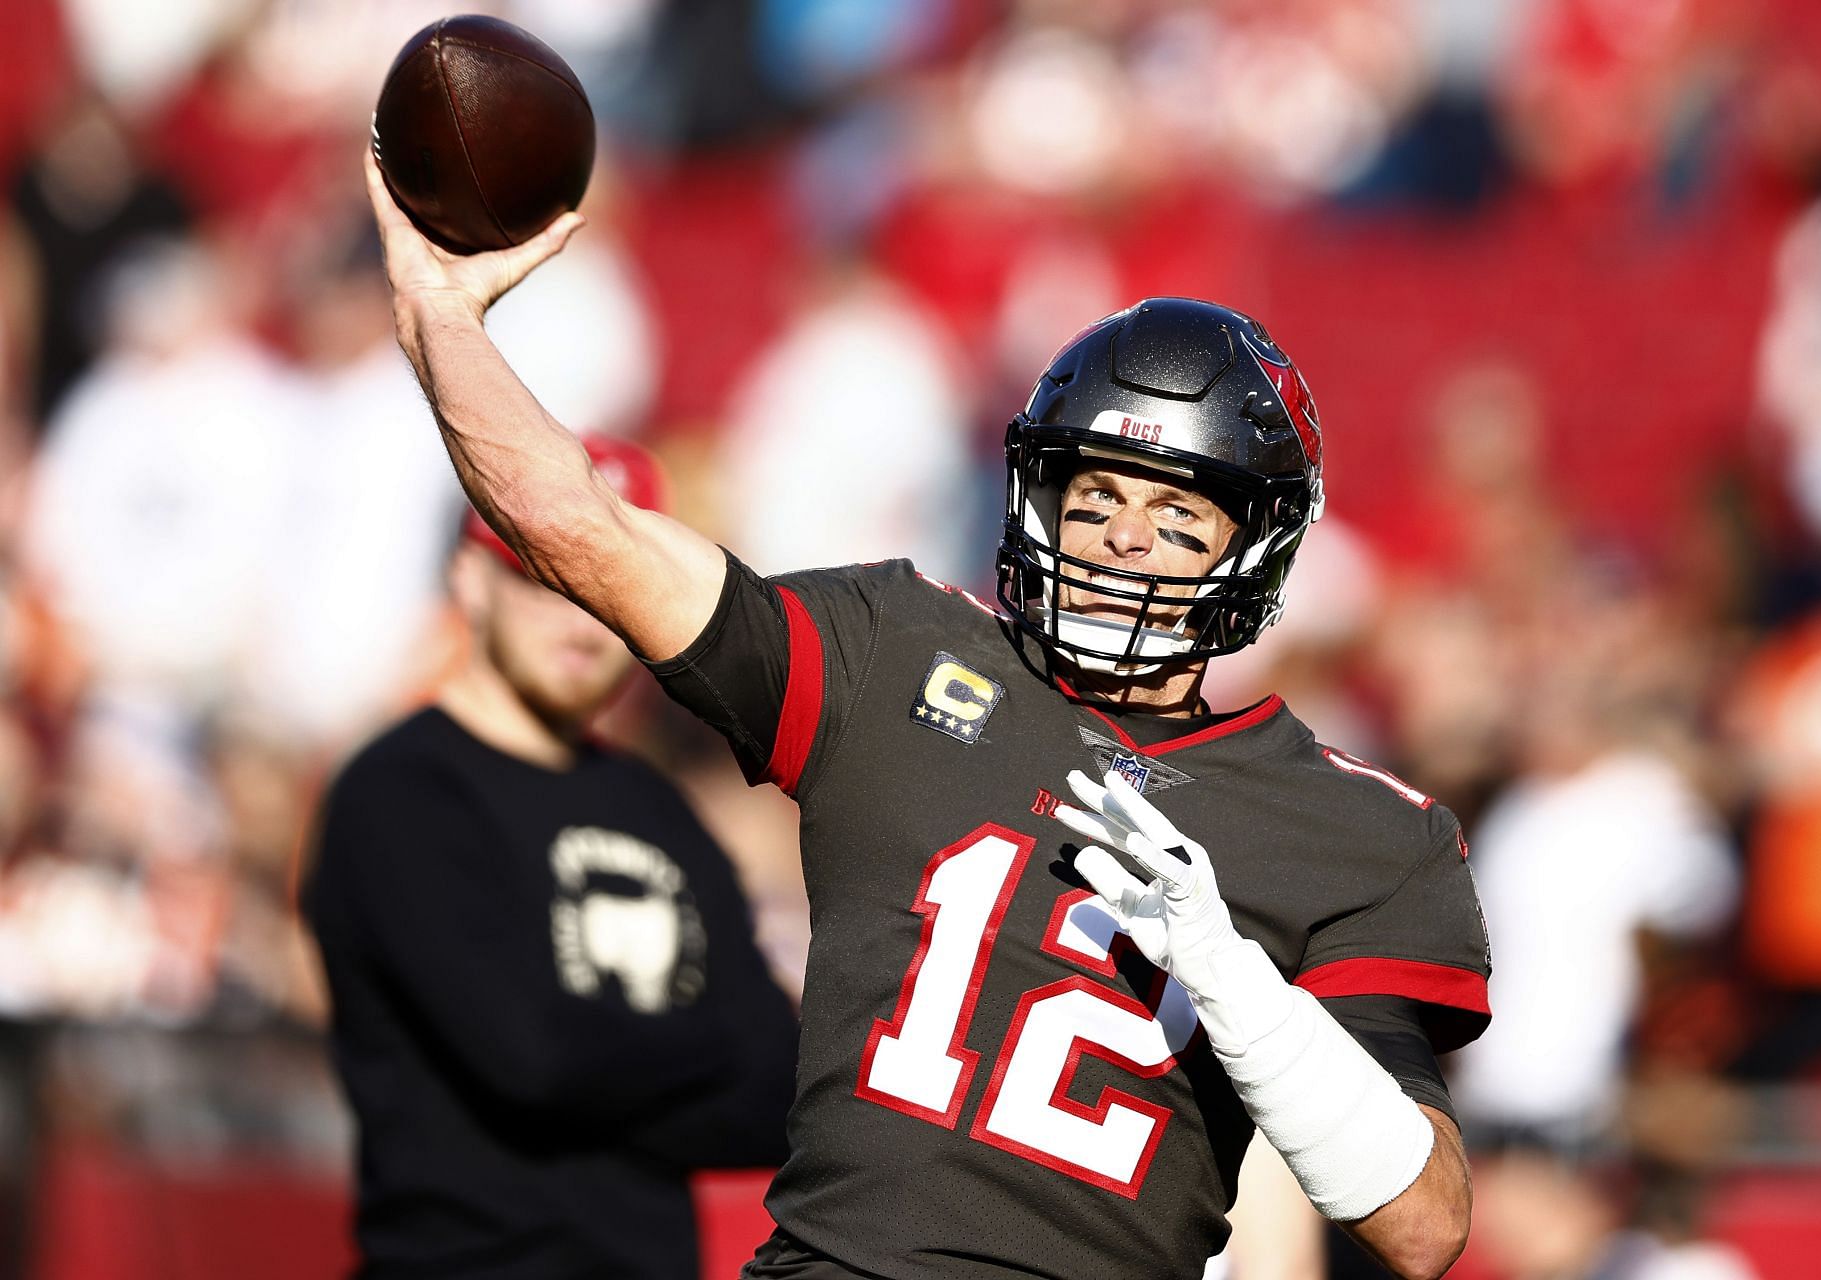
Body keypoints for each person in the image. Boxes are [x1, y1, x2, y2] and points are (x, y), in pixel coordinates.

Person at [362, 146, 1490, 1280]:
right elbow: (584, 532)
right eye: (1094, 494)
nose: (1124, 540)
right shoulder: (893, 649)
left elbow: (1424, 1223)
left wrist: (1237, 980)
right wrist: (439, 317)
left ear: (1256, 551)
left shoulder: (1361, 834)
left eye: (1180, 517)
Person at [302, 433, 798, 1280]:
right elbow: (531, 1055)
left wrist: (599, 1056)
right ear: (469, 580)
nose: (579, 615)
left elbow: (776, 1098)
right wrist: (700, 1044)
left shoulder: (653, 808)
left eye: (604, 583)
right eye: (542, 575)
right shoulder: (402, 794)